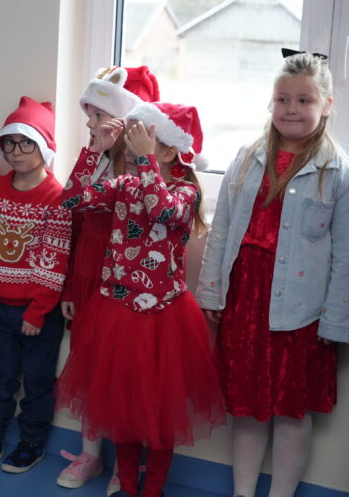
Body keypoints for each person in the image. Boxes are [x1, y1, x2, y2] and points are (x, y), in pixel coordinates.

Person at [196, 51, 349, 497]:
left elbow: (345, 254)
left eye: (304, 100)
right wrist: (212, 292)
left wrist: (335, 320)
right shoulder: (248, 157)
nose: (291, 109)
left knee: (291, 411)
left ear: (327, 105)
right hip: (245, 300)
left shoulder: (336, 170)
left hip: (302, 312)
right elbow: (222, 229)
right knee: (246, 409)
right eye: (282, 99)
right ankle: (243, 492)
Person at [55, 101, 226, 497]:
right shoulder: (124, 185)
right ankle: (128, 486)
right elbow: (70, 200)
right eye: (132, 139)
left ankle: (154, 490)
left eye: (142, 138)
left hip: (164, 318)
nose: (131, 146)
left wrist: (146, 159)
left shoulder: (185, 193)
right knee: (124, 407)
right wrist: (94, 151)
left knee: (161, 413)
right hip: (118, 311)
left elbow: (161, 211)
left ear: (168, 150)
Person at [56, 65, 159, 491]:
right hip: (87, 272)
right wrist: (93, 151)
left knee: (125, 371)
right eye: (89, 116)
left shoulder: (141, 170)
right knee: (88, 368)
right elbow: (69, 205)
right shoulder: (94, 162)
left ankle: (126, 463)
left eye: (98, 116)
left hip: (125, 279)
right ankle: (91, 454)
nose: (89, 124)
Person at [0, 97, 72, 474]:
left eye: (27, 143)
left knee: (38, 381)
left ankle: (31, 443)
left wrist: (37, 311)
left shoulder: (57, 198)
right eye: (10, 143)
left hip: (39, 312)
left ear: (44, 147)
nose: (17, 151)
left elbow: (54, 259)